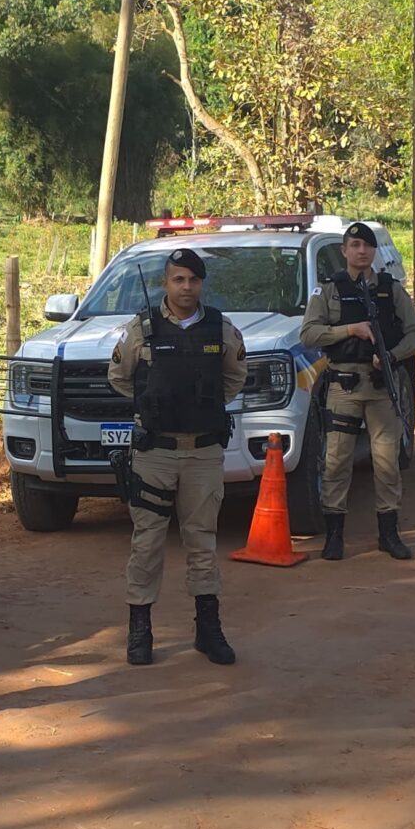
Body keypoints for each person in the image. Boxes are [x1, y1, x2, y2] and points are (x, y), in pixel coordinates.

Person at [108, 246, 247, 666]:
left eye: (194, 280)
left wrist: (198, 405)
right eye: (179, 279)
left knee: (202, 541)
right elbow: (119, 377)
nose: (187, 287)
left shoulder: (221, 328)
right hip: (155, 453)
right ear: (165, 283)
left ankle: (208, 629)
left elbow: (234, 377)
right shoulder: (141, 329)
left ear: (202, 283)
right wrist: (154, 403)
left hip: (203, 452)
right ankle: (140, 630)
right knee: (147, 542)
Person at [300, 221, 415, 560]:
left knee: (387, 462)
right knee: (336, 461)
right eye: (354, 245)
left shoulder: (390, 289)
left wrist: (392, 355)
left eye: (367, 245)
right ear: (344, 251)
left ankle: (389, 533)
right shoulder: (328, 291)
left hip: (382, 385)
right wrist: (350, 330)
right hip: (344, 385)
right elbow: (309, 334)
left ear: (374, 251)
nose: (361, 251)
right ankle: (334, 536)